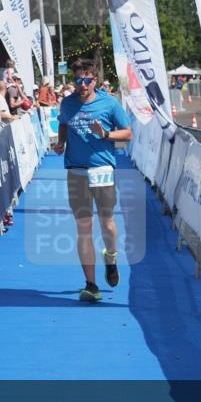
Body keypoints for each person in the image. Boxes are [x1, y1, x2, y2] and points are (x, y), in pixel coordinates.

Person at [53, 60, 132, 302]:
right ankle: (91, 284)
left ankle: (111, 257)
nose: (83, 84)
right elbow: (64, 123)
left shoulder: (109, 103)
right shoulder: (67, 103)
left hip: (102, 170)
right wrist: (61, 142)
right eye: (78, 80)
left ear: (95, 80)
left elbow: (128, 133)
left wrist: (105, 134)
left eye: (87, 80)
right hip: (76, 171)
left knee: (107, 223)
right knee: (84, 229)